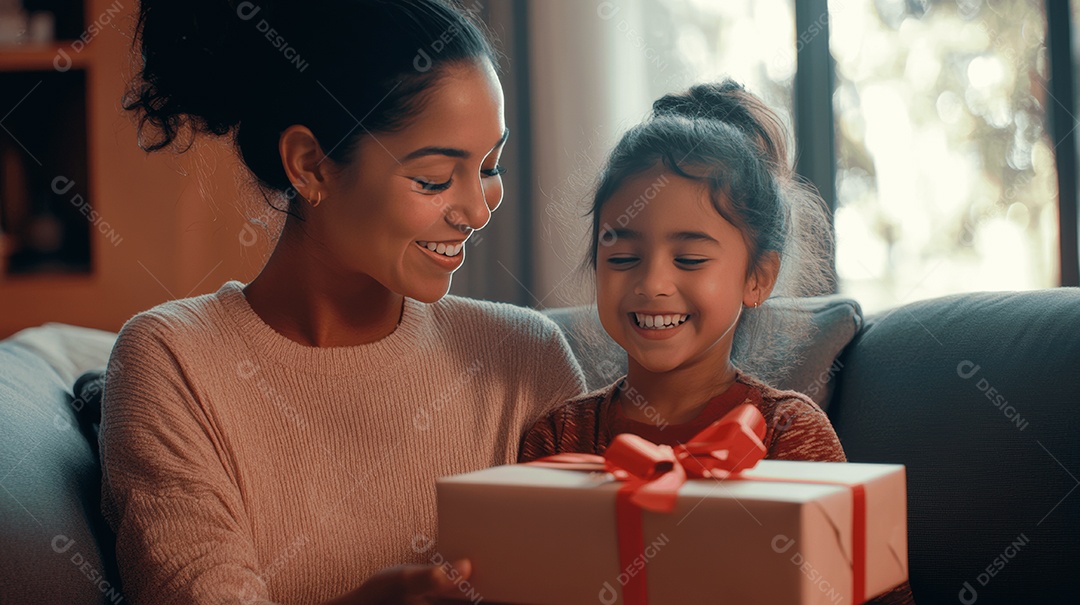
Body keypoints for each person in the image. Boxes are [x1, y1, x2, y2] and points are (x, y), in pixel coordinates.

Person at [100, 1, 585, 603]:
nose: (479, 210)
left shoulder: (524, 359)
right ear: (311, 166)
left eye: (490, 165)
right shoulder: (173, 363)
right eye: (434, 179)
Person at [519, 80, 915, 604]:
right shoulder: (559, 437)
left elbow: (868, 589)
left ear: (757, 279)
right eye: (621, 258)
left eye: (689, 259)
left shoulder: (788, 434)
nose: (653, 283)